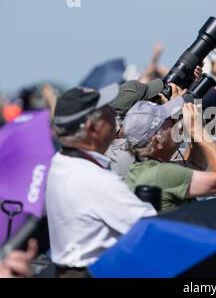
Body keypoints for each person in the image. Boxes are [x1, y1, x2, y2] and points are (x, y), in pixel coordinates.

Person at [46, 83, 157, 277]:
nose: (115, 115)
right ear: (92, 127)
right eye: (108, 110)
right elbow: (150, 229)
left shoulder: (58, 163)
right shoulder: (93, 178)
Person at [123, 98, 216, 211]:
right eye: (171, 120)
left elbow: (196, 166)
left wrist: (197, 128)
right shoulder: (160, 174)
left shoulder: (138, 170)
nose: (178, 121)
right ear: (157, 141)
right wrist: (199, 132)